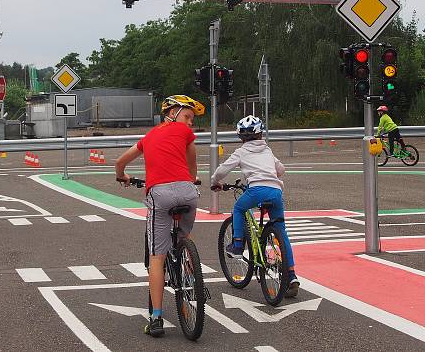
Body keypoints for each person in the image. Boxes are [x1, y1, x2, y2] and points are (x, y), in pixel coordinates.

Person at [115, 95, 204, 338]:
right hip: (188, 192)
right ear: (172, 112)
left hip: (160, 194)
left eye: (192, 120)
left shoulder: (149, 136)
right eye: (187, 117)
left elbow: (120, 161)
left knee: (157, 257)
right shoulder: (184, 134)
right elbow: (192, 162)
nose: (190, 123)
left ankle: (155, 318)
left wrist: (121, 175)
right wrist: (192, 178)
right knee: (185, 236)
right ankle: (190, 272)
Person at [210, 115, 299, 297]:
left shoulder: (241, 152)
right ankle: (291, 275)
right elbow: (281, 170)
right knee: (281, 231)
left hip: (256, 190)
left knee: (239, 209)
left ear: (241, 137)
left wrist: (215, 181)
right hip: (275, 192)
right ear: (260, 134)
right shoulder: (267, 150)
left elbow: (222, 170)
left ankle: (237, 245)